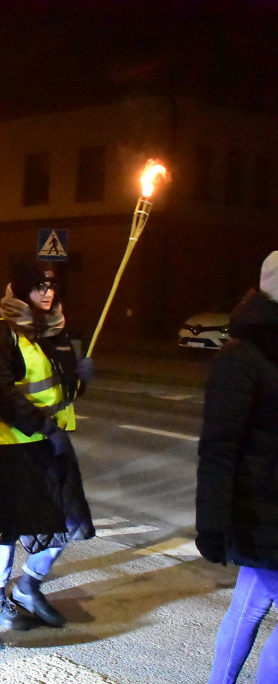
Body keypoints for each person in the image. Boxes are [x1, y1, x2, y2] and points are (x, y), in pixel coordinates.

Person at [0, 260, 94, 630]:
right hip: (10, 445)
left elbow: (60, 390)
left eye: (51, 286)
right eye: (38, 286)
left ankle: (28, 586)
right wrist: (44, 427)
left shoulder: (54, 333)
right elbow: (2, 393)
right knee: (9, 523)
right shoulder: (1, 334)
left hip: (49, 443)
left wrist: (80, 380)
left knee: (67, 519)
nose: (47, 293)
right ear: (20, 290)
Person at [197, 251, 278, 684]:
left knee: (249, 602)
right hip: (261, 508)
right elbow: (219, 448)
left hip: (266, 513)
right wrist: (211, 523)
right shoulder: (241, 357)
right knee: (251, 603)